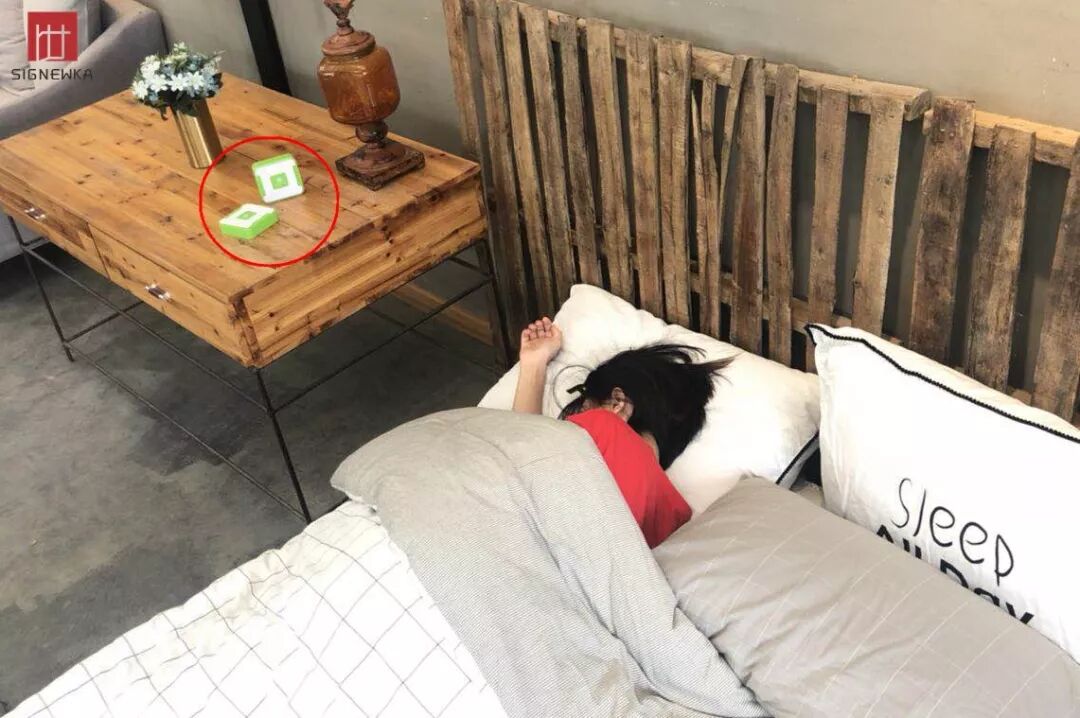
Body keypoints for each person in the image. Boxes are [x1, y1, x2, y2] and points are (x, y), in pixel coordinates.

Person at [511, 317, 731, 547]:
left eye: (584, 410)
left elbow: (519, 450)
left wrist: (533, 366)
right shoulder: (675, 517)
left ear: (617, 403)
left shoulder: (604, 424)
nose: (576, 421)